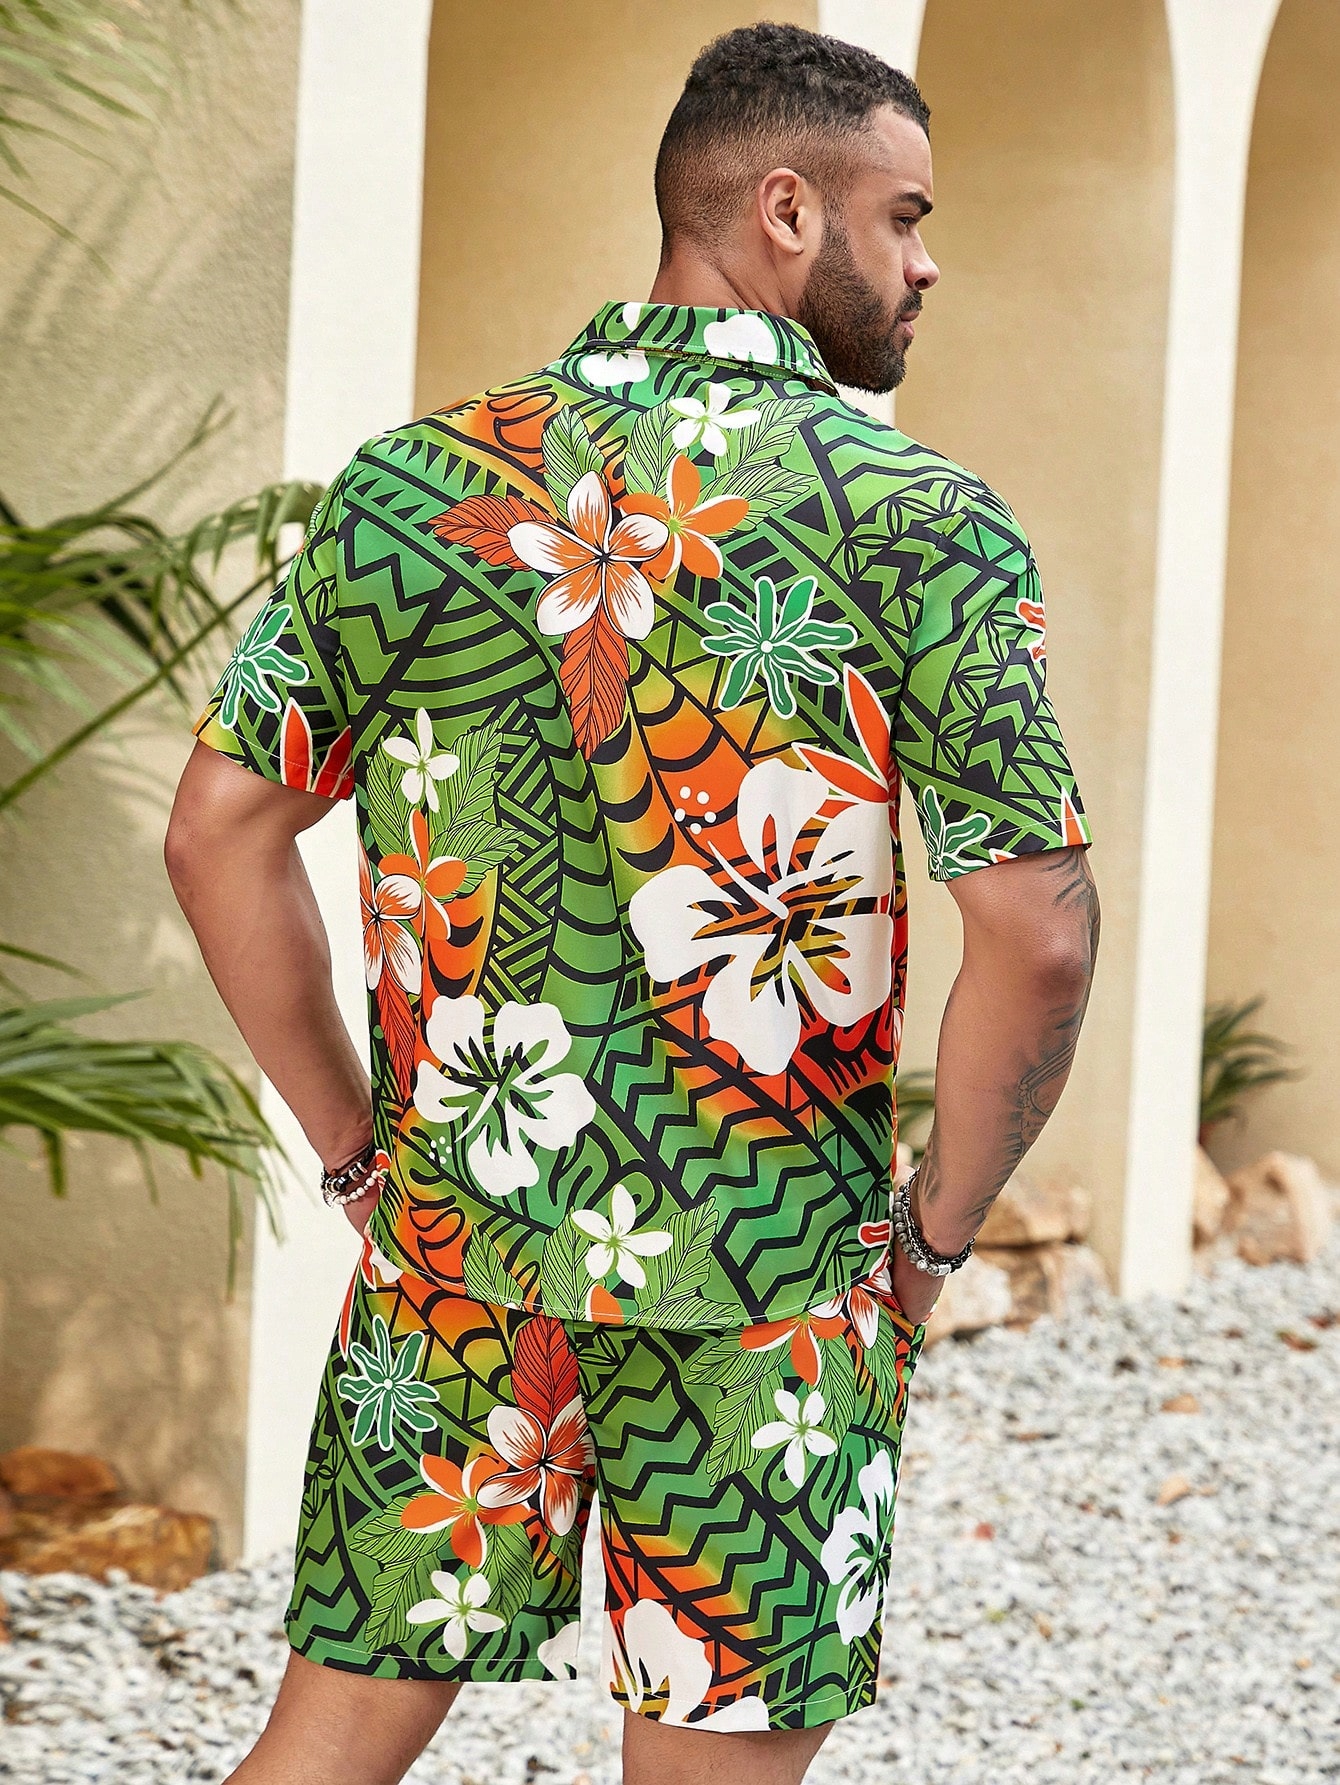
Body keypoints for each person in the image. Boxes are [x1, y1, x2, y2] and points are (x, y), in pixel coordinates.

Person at [166, 21, 1099, 1785]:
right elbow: (1040, 933)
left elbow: (217, 831)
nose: (927, 263)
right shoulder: (918, 521)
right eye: (904, 217)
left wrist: (363, 1158)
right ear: (785, 210)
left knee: (324, 1749)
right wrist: (932, 1237)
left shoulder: (416, 487)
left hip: (456, 1252)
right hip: (774, 1276)